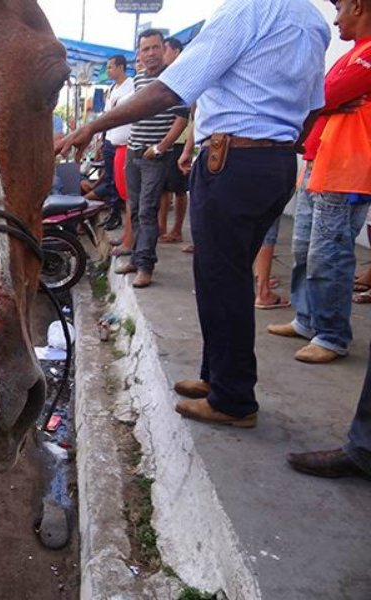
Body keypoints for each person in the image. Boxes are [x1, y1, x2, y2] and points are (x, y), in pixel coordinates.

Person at [57, 0, 330, 428]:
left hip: (235, 159)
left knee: (222, 278)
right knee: (228, 274)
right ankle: (217, 376)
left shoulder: (246, 11)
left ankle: (233, 399)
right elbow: (316, 103)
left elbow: (171, 89)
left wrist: (93, 125)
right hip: (275, 162)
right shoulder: (311, 18)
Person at [268, 0, 371, 364]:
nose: (336, 18)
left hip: (347, 168)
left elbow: (321, 95)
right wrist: (321, 101)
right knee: (304, 248)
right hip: (322, 162)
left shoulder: (368, 54)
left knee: (330, 253)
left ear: (358, 7)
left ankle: (331, 334)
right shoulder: (355, 53)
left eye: (340, 8)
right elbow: (321, 95)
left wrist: (320, 101)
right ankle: (308, 319)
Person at [111, 29, 187, 289]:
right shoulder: (139, 79)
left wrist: (161, 147)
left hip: (153, 156)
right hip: (133, 152)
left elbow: (181, 117)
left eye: (155, 47)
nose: (151, 53)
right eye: (146, 49)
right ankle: (134, 256)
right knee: (133, 207)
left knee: (147, 210)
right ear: (139, 53)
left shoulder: (172, 78)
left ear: (164, 49)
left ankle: (145, 265)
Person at [158, 37, 191, 245]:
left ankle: (177, 230)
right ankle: (161, 229)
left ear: (176, 51)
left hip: (180, 141)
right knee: (163, 188)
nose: (161, 55)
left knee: (178, 189)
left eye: (164, 50)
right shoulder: (166, 76)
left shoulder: (186, 74)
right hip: (165, 140)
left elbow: (185, 115)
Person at [97, 55, 135, 229]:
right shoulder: (112, 87)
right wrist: (101, 138)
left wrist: (119, 102)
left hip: (125, 141)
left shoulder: (132, 85)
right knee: (110, 178)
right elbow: (107, 116)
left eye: (110, 67)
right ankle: (113, 212)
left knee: (122, 182)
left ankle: (121, 215)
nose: (108, 71)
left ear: (121, 67)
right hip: (110, 139)